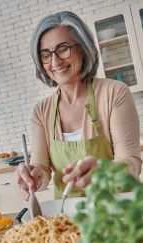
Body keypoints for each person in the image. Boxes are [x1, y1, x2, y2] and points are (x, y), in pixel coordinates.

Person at [16, 11, 142, 201]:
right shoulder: (41, 111)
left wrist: (105, 171)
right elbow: (41, 171)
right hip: (67, 222)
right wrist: (32, 177)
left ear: (83, 48)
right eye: (46, 55)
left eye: (63, 48)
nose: (55, 61)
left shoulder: (114, 92)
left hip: (118, 215)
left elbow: (132, 164)